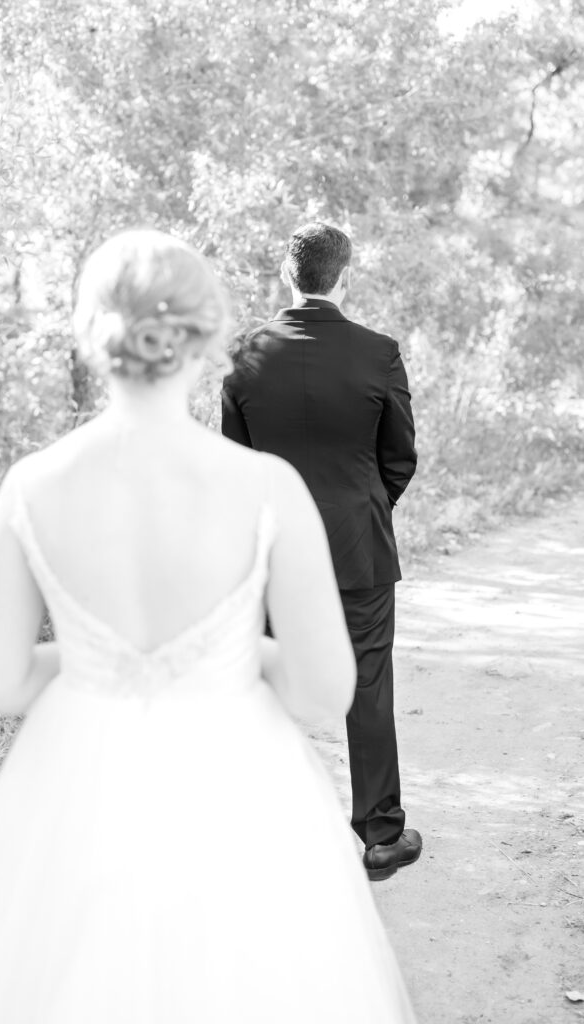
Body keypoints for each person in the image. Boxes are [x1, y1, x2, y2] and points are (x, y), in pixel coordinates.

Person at [0, 229, 416, 1024]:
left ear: (89, 332)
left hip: (71, 787)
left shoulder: (31, 484)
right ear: (208, 336)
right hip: (238, 780)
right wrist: (228, 654)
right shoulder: (263, 487)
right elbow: (324, 691)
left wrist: (95, 662)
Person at [221, 222, 420, 882]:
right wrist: (363, 510)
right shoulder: (378, 352)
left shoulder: (246, 354)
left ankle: (264, 833)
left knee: (268, 684)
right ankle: (380, 837)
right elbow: (399, 458)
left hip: (273, 551)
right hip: (357, 546)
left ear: (288, 272)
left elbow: (237, 466)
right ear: (345, 276)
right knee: (365, 684)